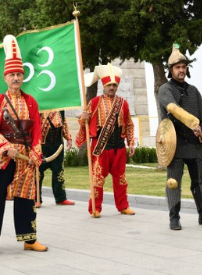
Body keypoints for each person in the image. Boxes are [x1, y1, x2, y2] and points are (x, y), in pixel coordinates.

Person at [0, 35, 47, 257]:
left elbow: (36, 130)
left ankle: (29, 239)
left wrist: (36, 151)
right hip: (4, 157)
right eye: (11, 75)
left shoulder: (31, 102)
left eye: (19, 74)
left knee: (26, 197)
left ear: (23, 76)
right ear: (5, 77)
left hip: (25, 156)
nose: (15, 78)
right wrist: (5, 147)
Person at [157, 44, 202, 231]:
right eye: (178, 67)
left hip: (194, 145)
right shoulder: (165, 89)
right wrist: (193, 123)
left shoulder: (193, 90)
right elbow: (172, 108)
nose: (181, 70)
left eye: (184, 67)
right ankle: (174, 218)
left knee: (200, 180)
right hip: (175, 143)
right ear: (171, 70)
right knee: (173, 182)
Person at [77, 64, 136, 218]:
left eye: (114, 85)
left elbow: (129, 123)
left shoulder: (123, 103)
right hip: (101, 146)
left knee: (121, 179)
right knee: (97, 179)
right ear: (104, 85)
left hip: (118, 145)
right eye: (109, 85)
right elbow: (84, 122)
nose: (111, 87)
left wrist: (130, 143)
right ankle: (95, 208)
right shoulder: (95, 102)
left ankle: (123, 206)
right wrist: (82, 119)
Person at [36, 110, 74, 208]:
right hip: (43, 146)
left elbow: (64, 123)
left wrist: (68, 138)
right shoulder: (40, 107)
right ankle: (36, 199)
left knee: (59, 172)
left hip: (57, 145)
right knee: (38, 173)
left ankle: (61, 198)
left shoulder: (60, 109)